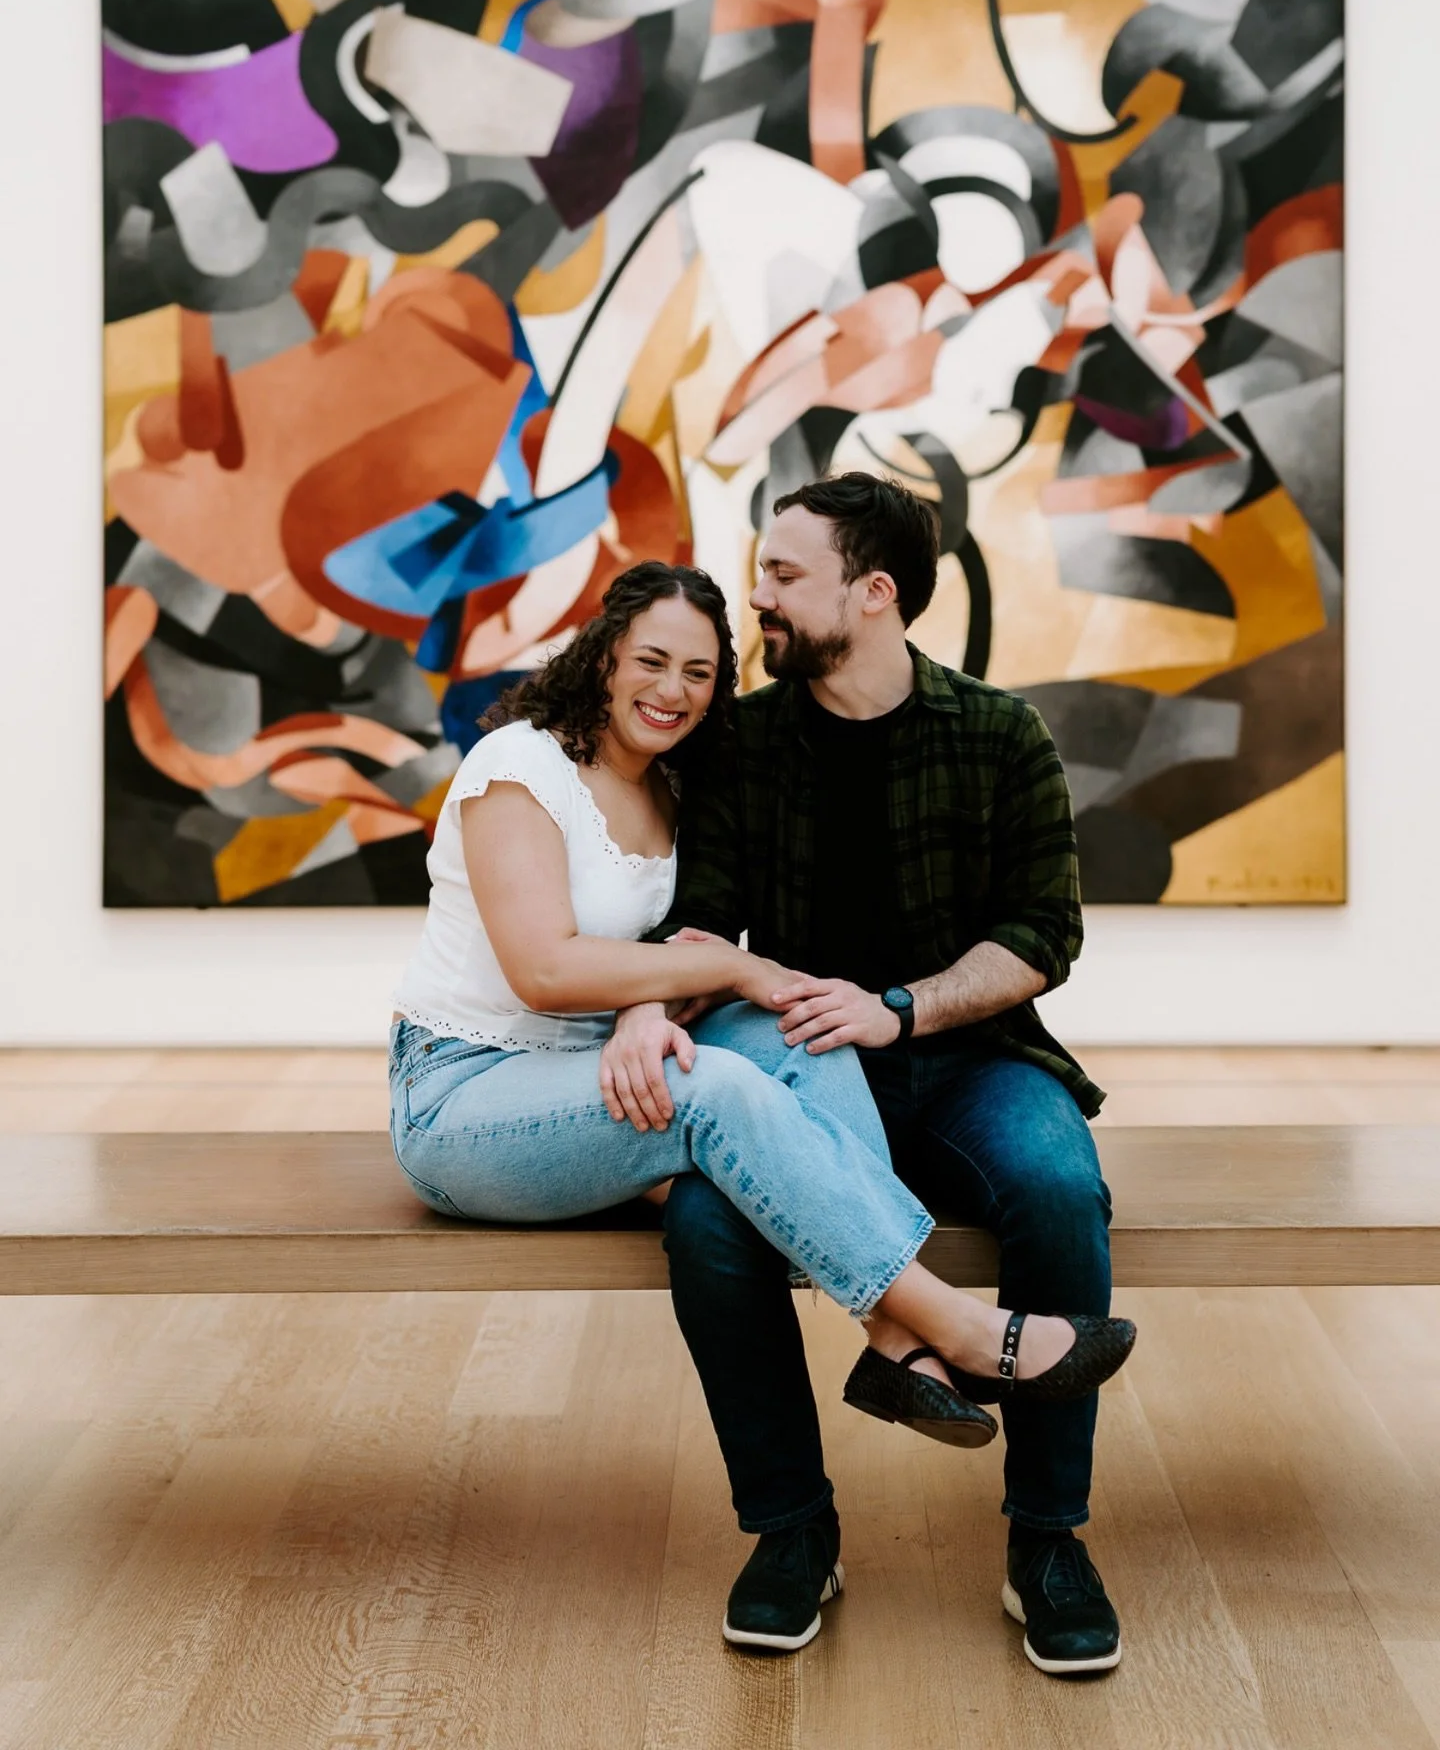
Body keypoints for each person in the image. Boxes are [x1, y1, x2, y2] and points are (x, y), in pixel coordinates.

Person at [389, 558, 1134, 1651]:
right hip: (467, 1092)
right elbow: (549, 971)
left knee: (794, 1026)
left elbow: (675, 940)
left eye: (699, 669)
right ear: (600, 653)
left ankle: (989, 1463)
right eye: (651, 661)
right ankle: (940, 1331)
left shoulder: (682, 776)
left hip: (606, 1072)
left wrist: (680, 998)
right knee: (726, 1082)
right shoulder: (517, 767)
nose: (675, 689)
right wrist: (724, 979)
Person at [600, 480, 1126, 1675]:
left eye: (784, 574)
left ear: (872, 593)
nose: (759, 596)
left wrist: (899, 1010)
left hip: (969, 1062)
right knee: (708, 1235)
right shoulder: (737, 742)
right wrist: (649, 999)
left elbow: (1043, 934)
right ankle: (793, 1531)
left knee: (1059, 1189)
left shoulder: (1000, 733)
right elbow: (704, 918)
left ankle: (1048, 1542)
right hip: (789, 1075)